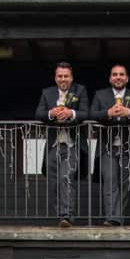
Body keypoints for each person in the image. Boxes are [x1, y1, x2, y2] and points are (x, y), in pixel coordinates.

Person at [90, 65, 130, 226]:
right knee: (110, 181)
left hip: (128, 147)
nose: (118, 77)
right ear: (110, 78)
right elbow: (92, 114)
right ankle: (112, 218)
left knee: (125, 183)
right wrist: (107, 113)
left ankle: (117, 217)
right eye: (114, 74)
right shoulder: (100, 95)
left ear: (127, 78)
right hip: (107, 146)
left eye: (121, 74)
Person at [35, 62, 89, 228]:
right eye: (60, 76)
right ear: (55, 77)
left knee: (66, 177)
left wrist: (70, 113)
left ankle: (67, 215)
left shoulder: (80, 91)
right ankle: (60, 215)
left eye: (66, 76)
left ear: (71, 78)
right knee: (54, 181)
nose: (63, 79)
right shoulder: (47, 93)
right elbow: (39, 113)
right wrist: (52, 113)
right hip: (54, 145)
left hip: (72, 144)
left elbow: (86, 112)